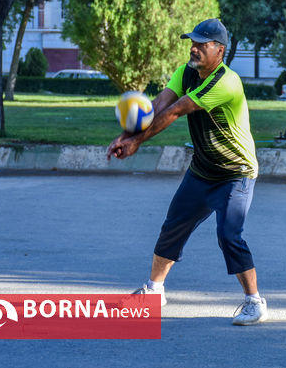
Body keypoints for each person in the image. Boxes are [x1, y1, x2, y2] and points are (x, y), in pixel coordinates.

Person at [107, 18, 267, 326]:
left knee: (229, 235)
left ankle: (255, 302)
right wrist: (127, 137)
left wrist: (136, 141)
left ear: (219, 50)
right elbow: (158, 105)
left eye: (200, 44)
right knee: (174, 226)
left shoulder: (225, 82)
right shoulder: (186, 72)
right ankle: (154, 291)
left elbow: (175, 112)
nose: (193, 48)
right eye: (191, 42)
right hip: (203, 170)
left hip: (236, 173)